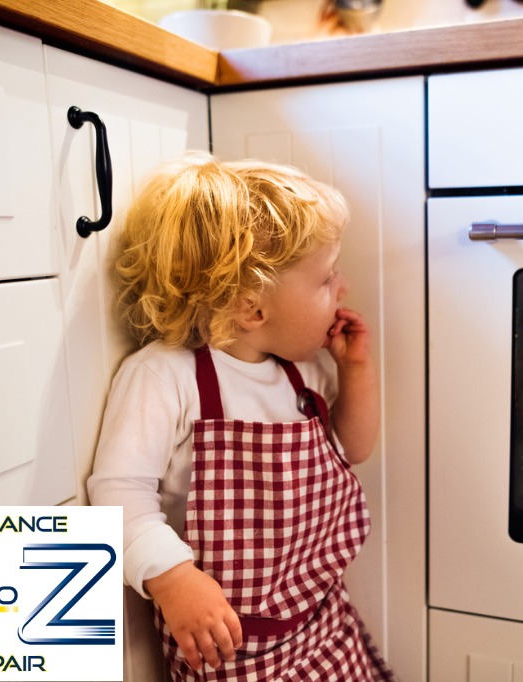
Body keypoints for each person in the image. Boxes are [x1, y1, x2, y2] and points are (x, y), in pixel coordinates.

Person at [88, 152, 395, 681]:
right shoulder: (167, 376)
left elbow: (353, 448)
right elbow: (118, 491)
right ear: (252, 309)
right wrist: (172, 578)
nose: (342, 289)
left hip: (321, 625)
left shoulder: (303, 373)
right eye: (326, 279)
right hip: (231, 645)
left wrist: (357, 372)